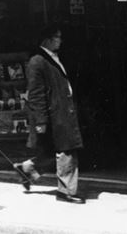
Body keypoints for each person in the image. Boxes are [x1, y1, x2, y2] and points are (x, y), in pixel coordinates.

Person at [14, 23, 85, 204]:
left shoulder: (53, 57)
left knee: (54, 150)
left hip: (62, 111)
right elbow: (36, 93)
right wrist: (40, 121)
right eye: (57, 37)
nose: (60, 41)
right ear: (47, 39)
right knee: (66, 150)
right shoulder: (37, 60)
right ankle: (66, 192)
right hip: (55, 114)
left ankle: (26, 169)